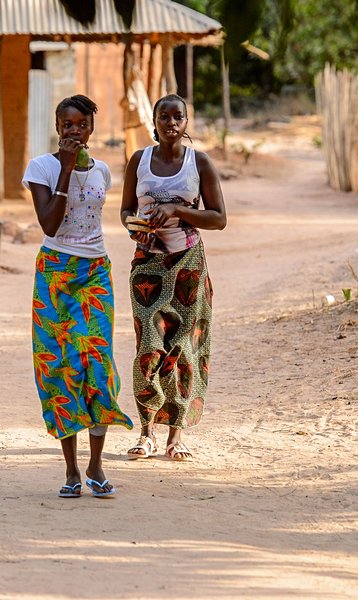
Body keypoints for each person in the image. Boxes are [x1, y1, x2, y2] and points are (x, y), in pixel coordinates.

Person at [22, 94, 133, 498]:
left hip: (95, 273)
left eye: (81, 125)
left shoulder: (103, 170)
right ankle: (70, 470)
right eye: (67, 124)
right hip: (54, 274)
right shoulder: (41, 167)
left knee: (98, 362)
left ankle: (97, 466)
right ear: (57, 127)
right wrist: (66, 170)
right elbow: (50, 225)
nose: (74, 131)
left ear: (91, 129)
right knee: (61, 366)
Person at [120, 93, 226, 461]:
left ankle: (175, 438)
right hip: (147, 264)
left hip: (188, 266)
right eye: (163, 116)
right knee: (148, 345)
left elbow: (219, 218)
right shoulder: (139, 161)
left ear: (186, 122)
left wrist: (178, 210)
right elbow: (125, 211)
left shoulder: (200, 163)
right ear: (154, 121)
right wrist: (137, 229)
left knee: (183, 349)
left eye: (177, 117)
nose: (170, 123)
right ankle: (146, 431)